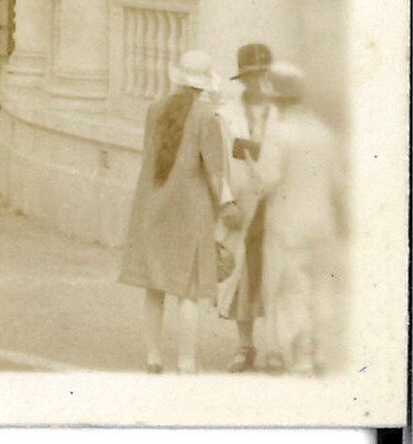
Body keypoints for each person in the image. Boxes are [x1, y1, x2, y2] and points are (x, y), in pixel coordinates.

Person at [118, 49, 232, 374]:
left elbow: (149, 155)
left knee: (154, 286)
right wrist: (224, 206)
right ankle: (186, 361)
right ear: (206, 83)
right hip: (191, 210)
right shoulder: (208, 117)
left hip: (153, 204)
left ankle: (153, 358)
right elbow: (215, 171)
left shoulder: (155, 109)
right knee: (189, 292)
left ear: (177, 76)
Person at [248, 62, 345, 375]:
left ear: (275, 99)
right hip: (322, 223)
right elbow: (338, 183)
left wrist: (251, 160)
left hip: (287, 228)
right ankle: (320, 353)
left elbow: (266, 180)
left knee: (291, 292)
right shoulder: (322, 132)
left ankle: (301, 357)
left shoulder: (279, 133)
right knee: (322, 290)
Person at [215, 41, 275, 372]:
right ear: (242, 79)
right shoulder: (225, 116)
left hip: (276, 206)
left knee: (278, 276)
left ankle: (278, 347)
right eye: (250, 75)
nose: (257, 81)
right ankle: (245, 346)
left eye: (262, 74)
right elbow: (215, 165)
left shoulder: (282, 114)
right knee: (241, 275)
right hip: (242, 205)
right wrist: (226, 202)